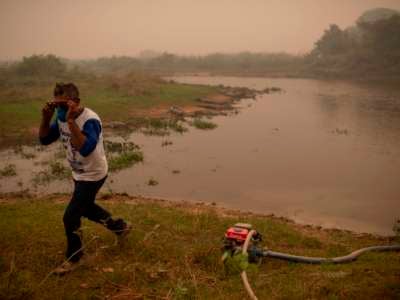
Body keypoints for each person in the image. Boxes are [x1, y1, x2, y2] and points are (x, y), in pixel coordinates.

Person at [39, 83, 130, 274]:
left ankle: (75, 257)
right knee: (86, 208)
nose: (60, 110)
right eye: (56, 105)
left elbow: (86, 149)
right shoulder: (62, 117)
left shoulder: (90, 120)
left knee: (70, 216)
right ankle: (120, 227)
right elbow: (45, 139)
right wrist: (46, 119)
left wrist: (71, 122)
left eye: (63, 105)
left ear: (76, 102)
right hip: (79, 173)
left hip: (94, 173)